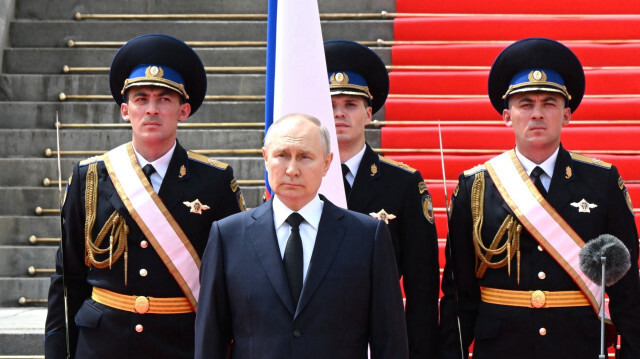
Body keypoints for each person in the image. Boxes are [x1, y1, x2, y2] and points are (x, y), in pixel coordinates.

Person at [44, 34, 245, 359]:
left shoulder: (215, 181)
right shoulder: (90, 177)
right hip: (102, 345)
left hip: (180, 343)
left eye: (164, 99)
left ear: (184, 110)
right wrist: (56, 351)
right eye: (141, 99)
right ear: (125, 110)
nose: (151, 109)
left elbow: (233, 276)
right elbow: (67, 277)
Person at [438, 37, 640, 359]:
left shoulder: (602, 183)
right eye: (525, 104)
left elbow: (627, 289)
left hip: (578, 346)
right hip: (502, 347)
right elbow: (459, 294)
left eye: (549, 103)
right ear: (507, 115)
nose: (537, 114)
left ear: (567, 114)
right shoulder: (475, 187)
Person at [195, 113, 409, 358]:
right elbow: (211, 339)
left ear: (327, 163)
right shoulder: (228, 236)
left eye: (305, 157)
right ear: (266, 158)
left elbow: (389, 340)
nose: (292, 169)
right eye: (282, 155)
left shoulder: (367, 237)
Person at [324, 40, 440, 358]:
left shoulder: (402, 183)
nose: (339, 113)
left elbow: (422, 283)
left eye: (350, 104)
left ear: (369, 113)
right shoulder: (298, 179)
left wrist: (420, 350)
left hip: (379, 337)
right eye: (331, 104)